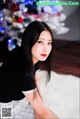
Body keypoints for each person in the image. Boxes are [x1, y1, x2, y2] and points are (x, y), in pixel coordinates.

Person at [0, 21, 59, 119]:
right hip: (3, 106)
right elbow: (43, 112)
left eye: (49, 43)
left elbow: (34, 81)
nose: (46, 49)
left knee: (44, 112)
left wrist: (40, 105)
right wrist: (40, 110)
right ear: (29, 41)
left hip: (15, 101)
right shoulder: (23, 72)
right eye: (40, 42)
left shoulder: (29, 56)